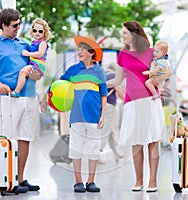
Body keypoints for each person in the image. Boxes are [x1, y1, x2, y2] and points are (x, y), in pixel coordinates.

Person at [107, 20, 172, 192]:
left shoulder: (151, 52)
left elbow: (168, 71)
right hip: (131, 102)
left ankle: (152, 181)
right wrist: (98, 84)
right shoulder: (122, 54)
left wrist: (157, 78)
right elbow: (118, 80)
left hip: (150, 101)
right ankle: (139, 180)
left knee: (152, 141)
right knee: (136, 143)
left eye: (125, 33)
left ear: (134, 34)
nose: (122, 36)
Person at [0, 8, 41, 193]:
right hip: (7, 97)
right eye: (14, 26)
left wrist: (33, 73)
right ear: (4, 25)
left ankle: (20, 179)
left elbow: (37, 67)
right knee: (7, 139)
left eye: (19, 24)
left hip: (28, 97)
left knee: (25, 138)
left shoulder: (23, 43)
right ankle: (6, 180)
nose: (18, 28)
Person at [41, 35, 107, 193]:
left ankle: (91, 181)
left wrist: (102, 115)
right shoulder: (72, 70)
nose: (79, 52)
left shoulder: (99, 72)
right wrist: (45, 97)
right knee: (76, 149)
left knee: (93, 149)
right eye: (78, 49)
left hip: (94, 117)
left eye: (82, 49)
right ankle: (78, 181)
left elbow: (103, 95)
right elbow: (58, 85)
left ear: (91, 53)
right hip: (76, 117)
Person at [10, 18, 50, 97]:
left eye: (40, 31)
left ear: (45, 33)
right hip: (34, 65)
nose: (37, 33)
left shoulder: (43, 43)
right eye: (35, 30)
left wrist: (28, 54)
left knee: (22, 72)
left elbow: (40, 54)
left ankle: (17, 91)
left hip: (37, 66)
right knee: (23, 73)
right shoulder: (34, 42)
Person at [99, 64, 125, 164]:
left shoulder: (103, 75)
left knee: (111, 129)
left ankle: (116, 152)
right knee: (106, 130)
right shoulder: (113, 76)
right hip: (109, 107)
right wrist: (128, 101)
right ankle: (96, 154)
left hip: (103, 106)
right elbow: (119, 91)